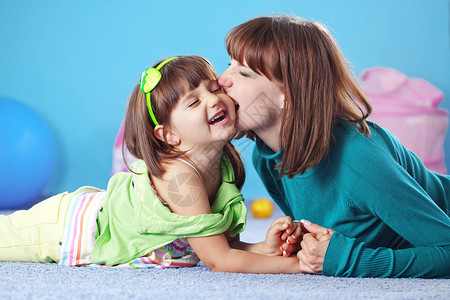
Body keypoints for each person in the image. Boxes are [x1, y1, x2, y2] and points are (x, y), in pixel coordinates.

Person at [0, 55, 303, 273]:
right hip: (66, 228)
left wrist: (264, 247)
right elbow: (218, 261)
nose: (213, 100)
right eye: (194, 102)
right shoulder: (179, 178)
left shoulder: (222, 166)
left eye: (214, 88)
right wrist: (296, 266)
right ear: (169, 135)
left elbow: (219, 246)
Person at [218, 16, 450, 278]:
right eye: (229, 64)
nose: (221, 79)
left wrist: (351, 260)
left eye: (244, 73)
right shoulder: (268, 158)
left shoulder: (359, 161)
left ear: (289, 97)